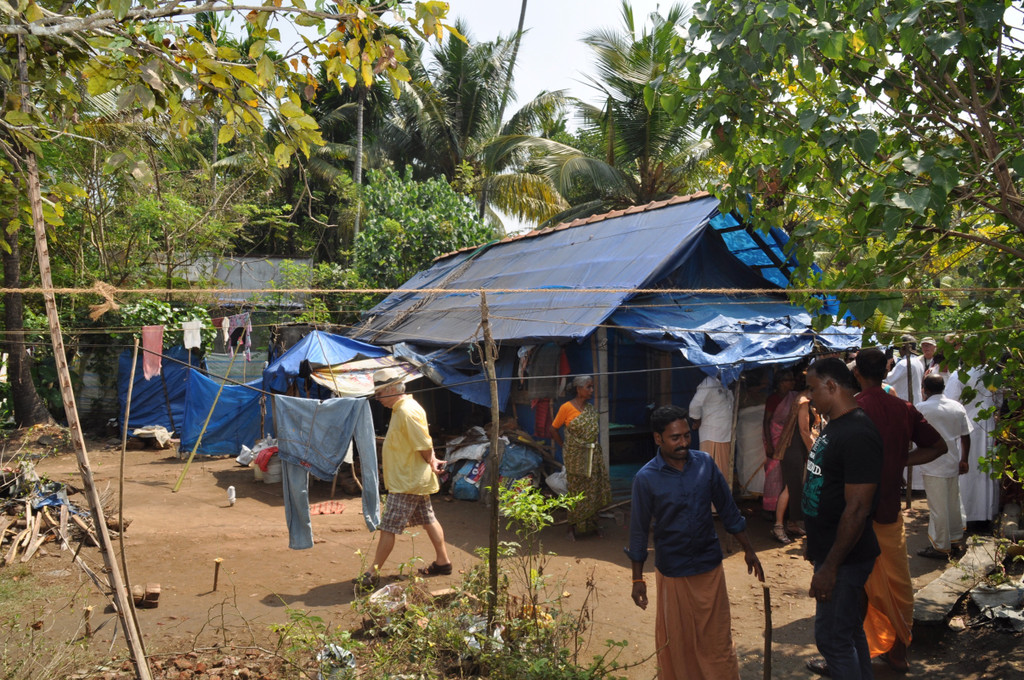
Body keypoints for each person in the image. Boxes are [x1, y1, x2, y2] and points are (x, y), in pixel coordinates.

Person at [627, 405, 763, 680]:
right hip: (673, 570)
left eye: (687, 436)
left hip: (708, 566)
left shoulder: (705, 464)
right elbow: (639, 531)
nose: (684, 443)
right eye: (675, 438)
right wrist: (637, 580)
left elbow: (728, 510)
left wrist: (749, 549)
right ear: (658, 438)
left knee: (717, 641)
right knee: (679, 643)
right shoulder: (645, 478)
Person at [848, 348, 946, 673]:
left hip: (855, 514)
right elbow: (937, 446)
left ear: (858, 374)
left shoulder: (852, 410)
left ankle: (855, 657)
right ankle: (899, 650)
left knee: (856, 587)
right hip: (888, 510)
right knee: (898, 585)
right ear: (887, 369)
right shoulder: (904, 408)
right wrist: (901, 461)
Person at [802, 358, 883, 680]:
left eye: (812, 388)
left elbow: (858, 509)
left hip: (845, 558)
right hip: (831, 551)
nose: (809, 396)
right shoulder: (834, 425)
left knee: (832, 638)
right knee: (848, 632)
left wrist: (830, 567)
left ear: (832, 386)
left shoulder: (858, 432)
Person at [356, 381, 452, 589]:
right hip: (410, 478)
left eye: (379, 393)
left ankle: (372, 572)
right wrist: (432, 459)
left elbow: (424, 444)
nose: (378, 398)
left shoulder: (407, 411)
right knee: (428, 518)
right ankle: (443, 561)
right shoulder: (402, 410)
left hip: (407, 481)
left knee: (388, 526)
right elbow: (424, 440)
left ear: (392, 390)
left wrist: (431, 459)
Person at [916, 375, 972, 559]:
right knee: (952, 504)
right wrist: (964, 459)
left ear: (925, 389)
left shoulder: (921, 408)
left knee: (938, 507)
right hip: (952, 462)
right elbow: (965, 436)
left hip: (932, 463)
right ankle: (954, 539)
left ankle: (940, 546)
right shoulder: (956, 407)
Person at [551, 375, 612, 540]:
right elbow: (554, 429)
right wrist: (564, 445)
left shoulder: (591, 409)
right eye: (588, 387)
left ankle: (592, 525)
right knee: (576, 491)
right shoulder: (566, 408)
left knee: (593, 491)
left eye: (592, 387)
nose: (591, 390)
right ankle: (571, 528)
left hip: (593, 456)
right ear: (578, 389)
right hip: (575, 457)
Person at [945, 364, 1001, 527]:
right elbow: (998, 401)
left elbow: (950, 402)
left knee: (968, 471)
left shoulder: (960, 374)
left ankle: (967, 515)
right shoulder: (992, 373)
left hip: (967, 426)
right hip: (987, 426)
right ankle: (986, 514)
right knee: (985, 470)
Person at [688, 375, 736, 483]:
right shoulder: (709, 382)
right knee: (712, 471)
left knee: (724, 472)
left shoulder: (727, 384)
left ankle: (722, 498)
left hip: (726, 434)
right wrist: (697, 420)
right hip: (712, 435)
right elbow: (694, 406)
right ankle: (711, 500)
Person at [885, 335, 925, 404]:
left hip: (905, 402)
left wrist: (887, 363)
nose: (899, 352)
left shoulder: (903, 364)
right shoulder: (919, 362)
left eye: (899, 349)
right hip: (916, 402)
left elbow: (887, 380)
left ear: (904, 348)